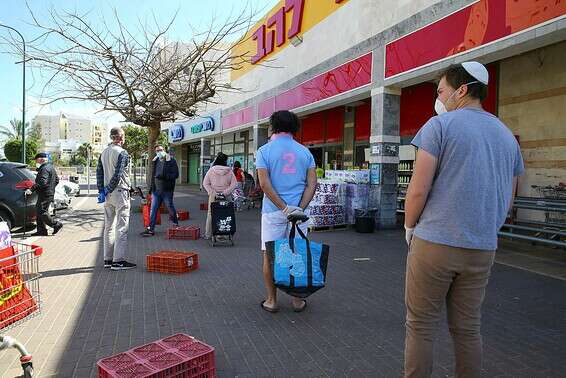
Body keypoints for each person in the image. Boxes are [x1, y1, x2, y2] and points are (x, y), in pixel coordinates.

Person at [403, 62, 524, 378]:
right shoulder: (507, 137)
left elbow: (418, 189)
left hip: (434, 243)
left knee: (421, 325)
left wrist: (409, 225)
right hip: (482, 247)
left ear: (462, 89)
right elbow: (508, 199)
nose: (438, 97)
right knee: (468, 328)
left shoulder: (439, 127)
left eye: (441, 90)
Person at [256, 110, 317, 313]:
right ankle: (297, 300)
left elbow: (264, 184)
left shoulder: (264, 151)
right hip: (299, 214)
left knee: (269, 256)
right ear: (294, 127)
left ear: (273, 126)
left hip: (273, 212)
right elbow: (311, 184)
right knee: (297, 254)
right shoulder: (305, 152)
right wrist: (299, 208)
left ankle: (271, 300)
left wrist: (283, 208)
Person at [96, 126, 136, 270]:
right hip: (120, 193)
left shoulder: (104, 152)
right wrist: (109, 188)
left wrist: (102, 190)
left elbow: (99, 173)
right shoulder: (122, 153)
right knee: (121, 227)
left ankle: (107, 259)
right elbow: (118, 174)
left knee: (108, 227)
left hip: (107, 196)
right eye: (123, 136)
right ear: (119, 137)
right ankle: (118, 261)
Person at [141, 145, 180, 236]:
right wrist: (151, 189)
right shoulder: (155, 160)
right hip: (156, 190)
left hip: (167, 190)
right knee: (153, 209)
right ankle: (151, 228)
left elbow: (176, 175)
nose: (159, 152)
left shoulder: (171, 160)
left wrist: (164, 176)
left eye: (161, 150)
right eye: (157, 151)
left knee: (170, 207)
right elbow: (153, 176)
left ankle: (175, 223)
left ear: (164, 150)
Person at [26, 153, 63, 236]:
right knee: (39, 211)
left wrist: (32, 189)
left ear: (40, 159)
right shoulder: (50, 167)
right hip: (48, 193)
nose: (35, 161)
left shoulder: (44, 169)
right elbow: (56, 180)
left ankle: (56, 224)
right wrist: (51, 188)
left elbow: (42, 182)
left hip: (45, 193)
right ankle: (41, 230)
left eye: (36, 159)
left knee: (42, 211)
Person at [202, 152, 237, 239]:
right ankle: (224, 234)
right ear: (225, 161)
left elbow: (205, 183)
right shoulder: (229, 171)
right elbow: (234, 184)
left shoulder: (211, 170)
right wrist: (225, 192)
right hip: (226, 196)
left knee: (210, 214)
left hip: (214, 196)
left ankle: (208, 234)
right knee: (226, 214)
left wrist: (212, 192)